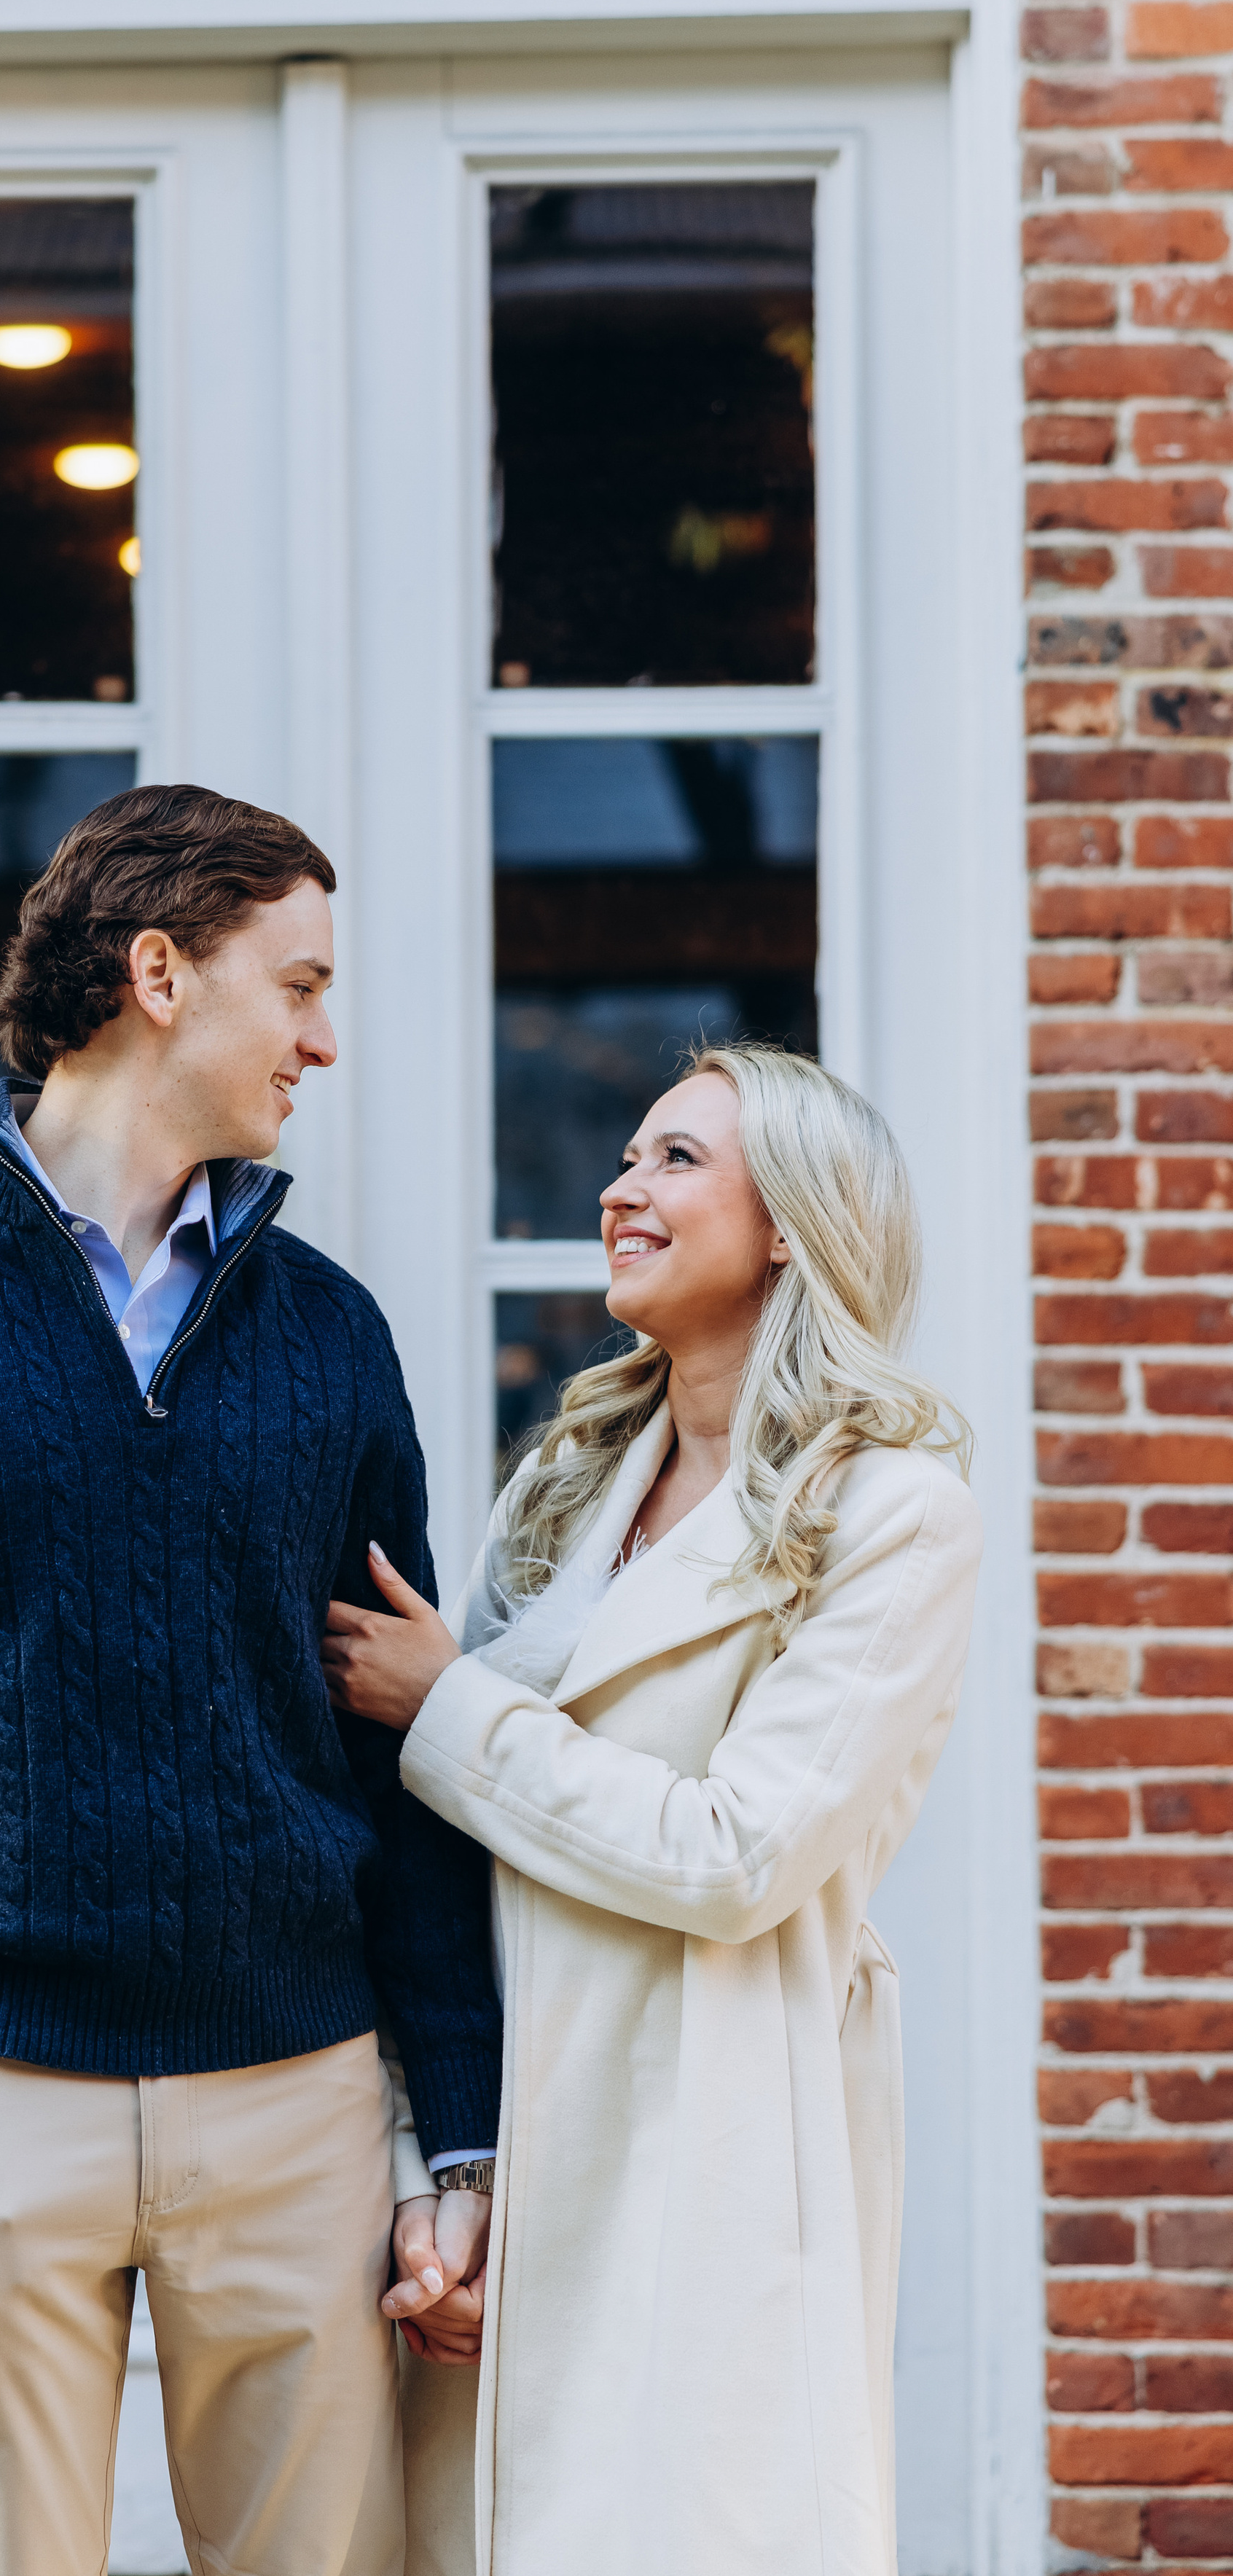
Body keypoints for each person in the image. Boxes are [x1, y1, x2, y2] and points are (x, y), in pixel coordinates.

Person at [0, 783, 503, 2576]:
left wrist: (455, 2125)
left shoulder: (329, 1330)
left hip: (298, 2096)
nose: (324, 1034)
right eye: (295, 983)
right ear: (156, 973)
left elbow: (398, 1744)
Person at [323, 1043, 982, 2576]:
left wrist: (447, 1702)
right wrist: (450, 2163)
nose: (620, 1187)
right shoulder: (565, 1481)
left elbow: (735, 1850)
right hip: (511, 2137)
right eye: (626, 1154)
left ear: (789, 1223)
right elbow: (436, 1852)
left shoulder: (892, 1516)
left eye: (676, 1158)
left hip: (715, 2133)